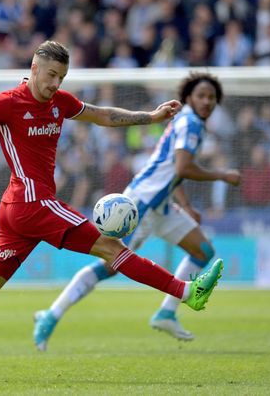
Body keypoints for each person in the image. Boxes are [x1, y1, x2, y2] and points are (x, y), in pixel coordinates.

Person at [0, 42, 225, 365]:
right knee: (112, 248)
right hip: (33, 203)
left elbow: (103, 115)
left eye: (61, 77)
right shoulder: (7, 102)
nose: (54, 83)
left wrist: (149, 117)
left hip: (19, 208)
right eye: (50, 75)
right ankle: (185, 292)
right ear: (34, 68)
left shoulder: (61, 102)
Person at [33, 72, 241, 349]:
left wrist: (187, 205)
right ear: (188, 97)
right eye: (201, 96)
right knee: (109, 265)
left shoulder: (188, 123)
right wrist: (222, 175)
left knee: (203, 251)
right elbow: (182, 168)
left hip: (163, 205)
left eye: (212, 98)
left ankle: (167, 312)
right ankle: (51, 314)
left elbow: (171, 169)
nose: (206, 102)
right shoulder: (190, 122)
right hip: (140, 203)